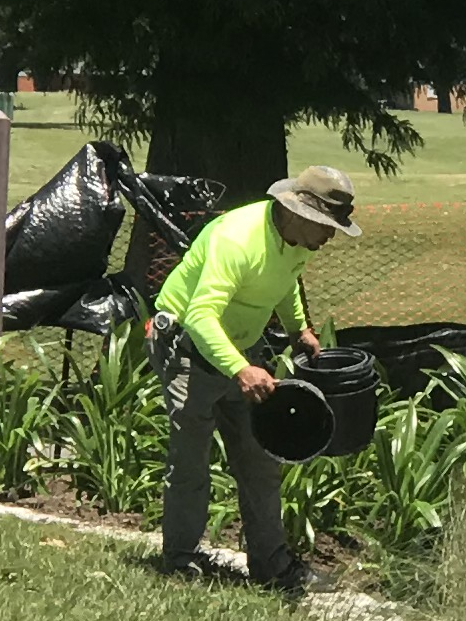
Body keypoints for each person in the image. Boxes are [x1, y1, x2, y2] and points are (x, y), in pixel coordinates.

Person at [150, 164, 360, 590]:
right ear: (300, 214)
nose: (332, 236)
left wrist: (299, 328)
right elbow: (200, 315)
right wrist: (240, 368)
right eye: (328, 225)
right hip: (188, 349)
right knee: (192, 462)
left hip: (239, 351)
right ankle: (180, 561)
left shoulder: (297, 241)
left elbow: (285, 283)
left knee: (260, 460)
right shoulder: (237, 239)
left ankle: (272, 566)